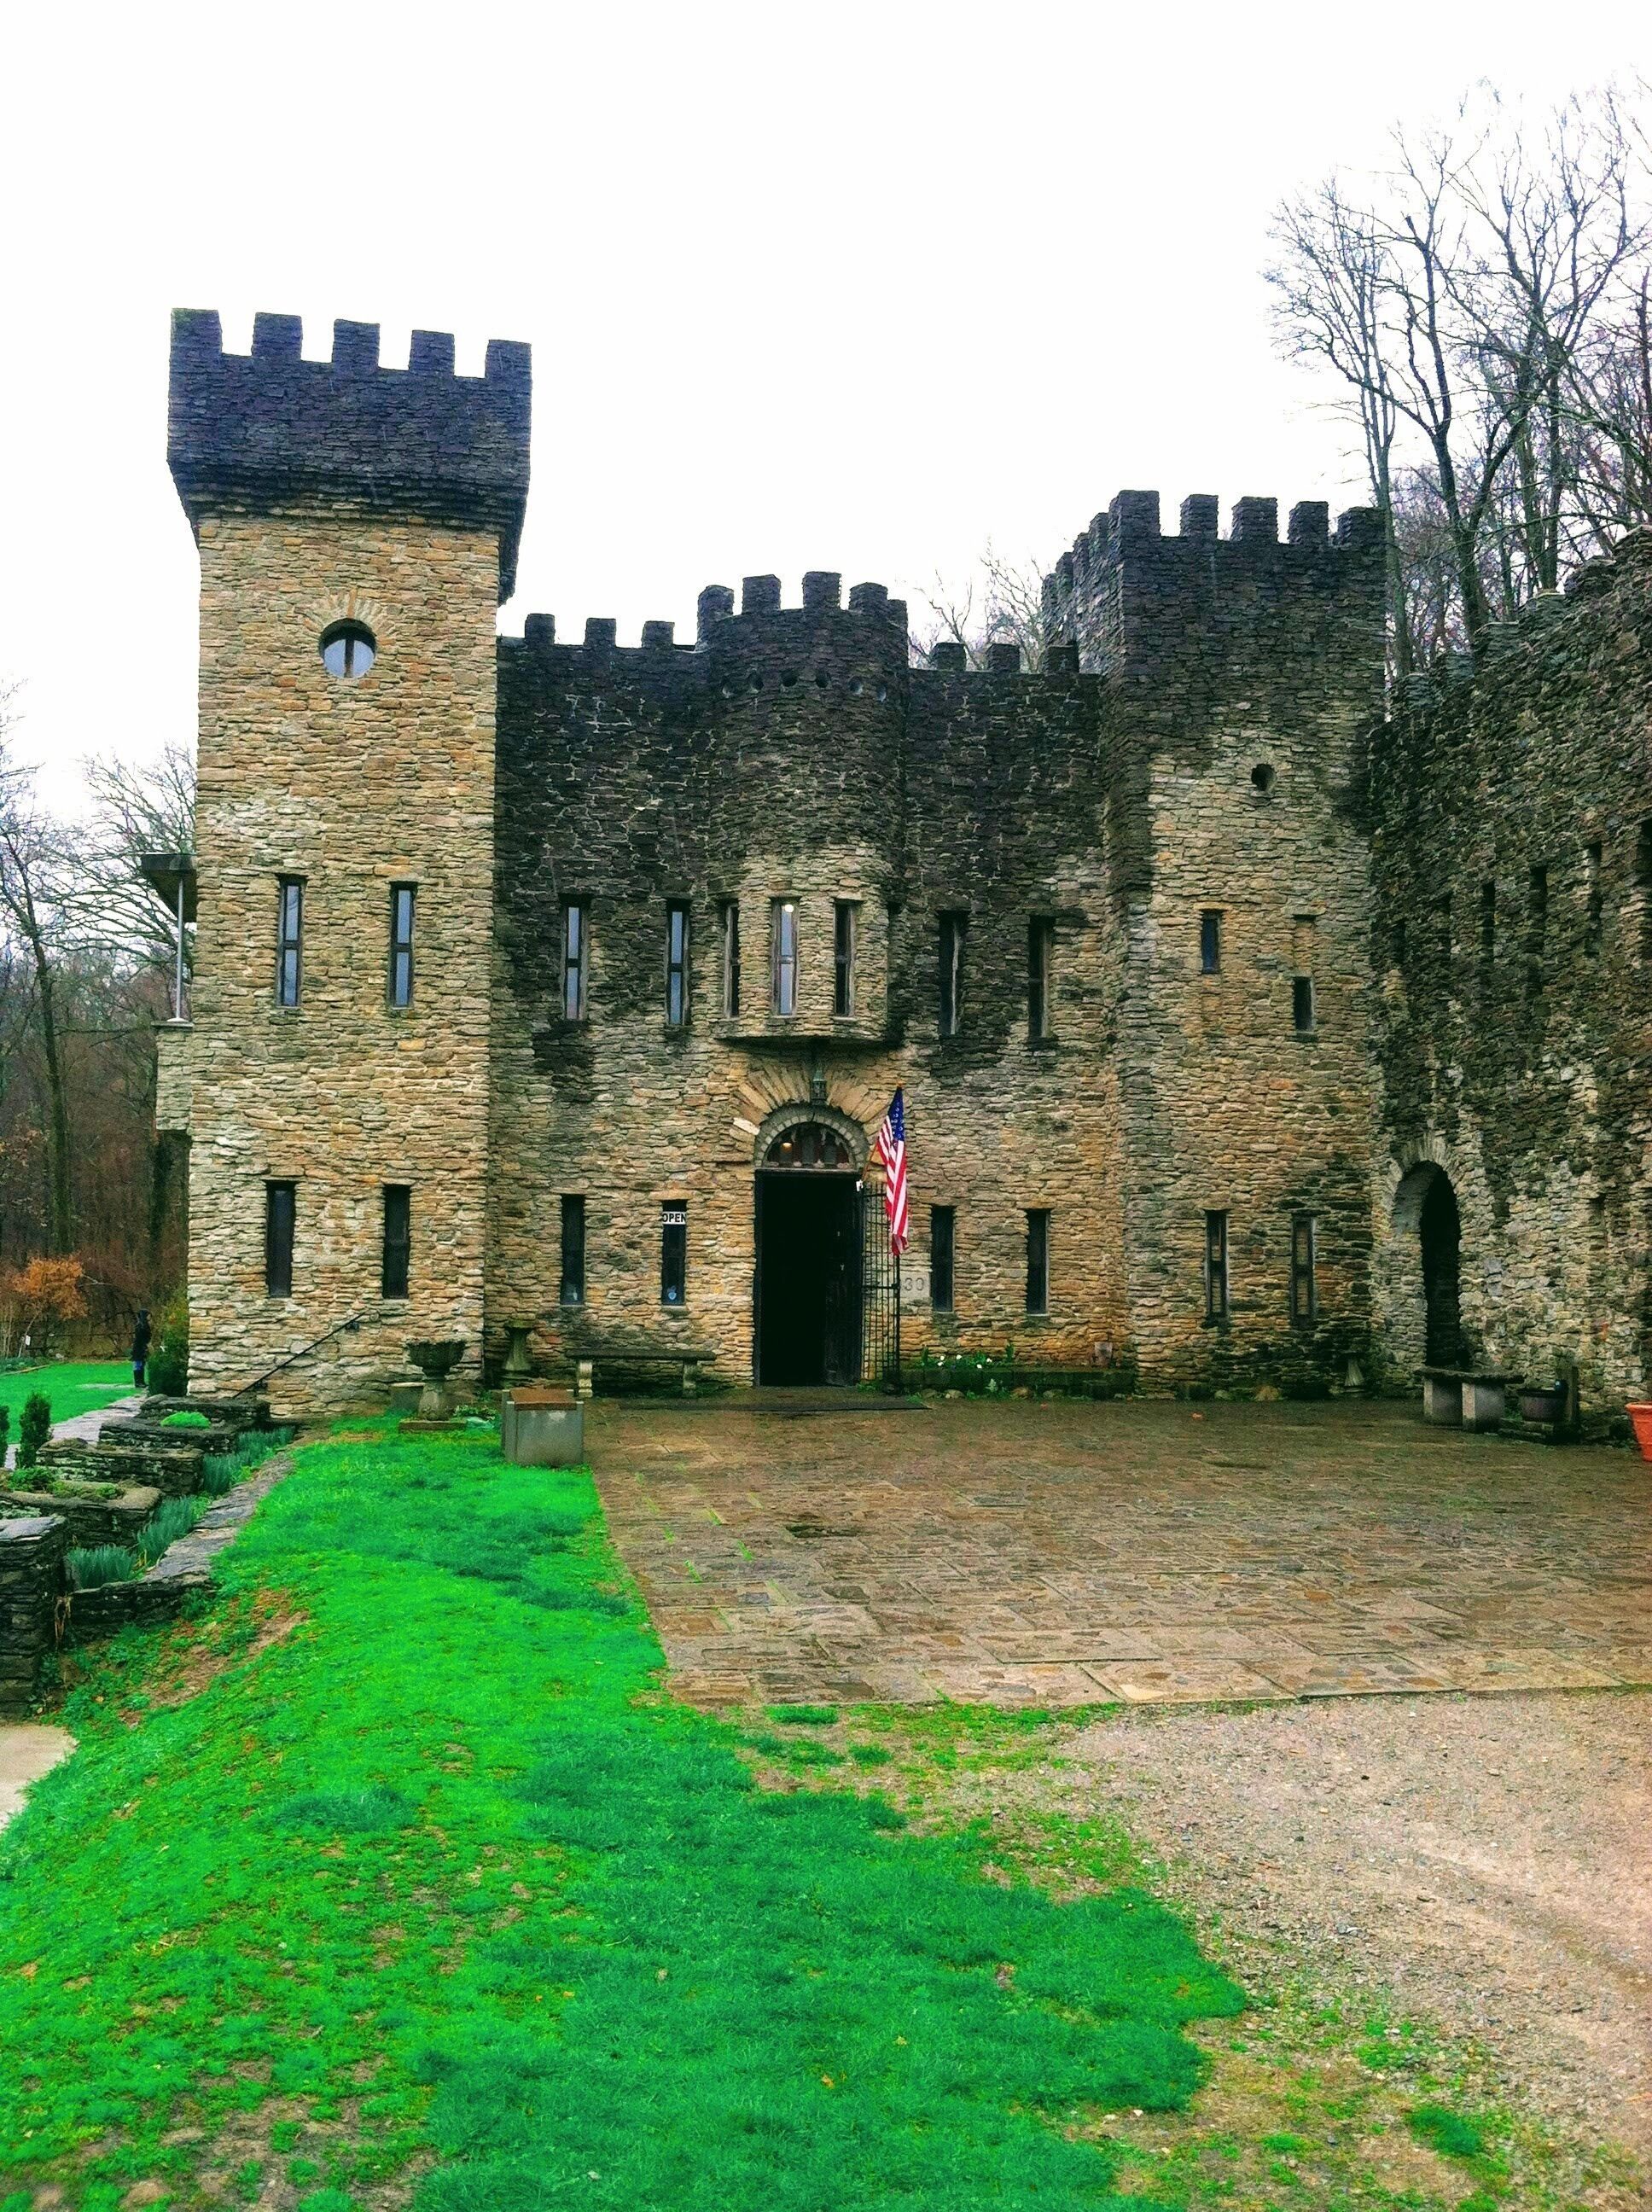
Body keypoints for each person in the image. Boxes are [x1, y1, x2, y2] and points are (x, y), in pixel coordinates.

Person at [131, 1307, 153, 1391]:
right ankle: (138, 1382)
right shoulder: (140, 1326)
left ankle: (141, 1381)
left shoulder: (145, 1326)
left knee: (141, 1364)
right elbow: (141, 1338)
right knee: (138, 1364)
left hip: (142, 1347)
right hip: (139, 1348)